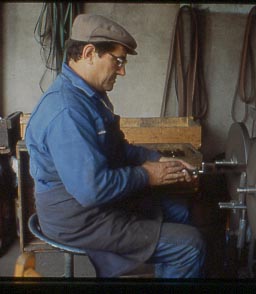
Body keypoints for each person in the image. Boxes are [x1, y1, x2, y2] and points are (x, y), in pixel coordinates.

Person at [25, 14, 205, 278]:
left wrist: (157, 160)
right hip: (78, 217)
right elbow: (93, 190)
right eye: (118, 60)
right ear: (89, 53)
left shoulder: (89, 96)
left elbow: (119, 149)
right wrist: (147, 175)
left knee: (179, 208)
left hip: (91, 204)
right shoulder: (67, 110)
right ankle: (178, 257)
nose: (122, 70)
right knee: (191, 245)